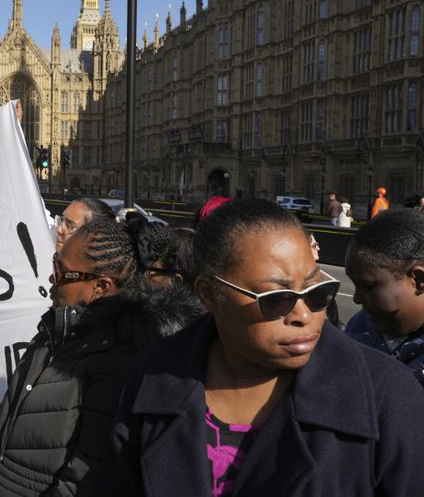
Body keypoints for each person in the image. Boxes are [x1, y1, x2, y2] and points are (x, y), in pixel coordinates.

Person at [104, 198, 424, 495]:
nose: (304, 315)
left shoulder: (388, 396)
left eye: (316, 292)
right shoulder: (155, 377)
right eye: (276, 299)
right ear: (209, 294)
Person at [0, 217, 202, 496]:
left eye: (61, 271)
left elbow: (83, 480)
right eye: (54, 264)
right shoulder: (51, 334)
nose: (52, 278)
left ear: (101, 286)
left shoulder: (120, 362)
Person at [345, 209, 424, 387]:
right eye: (355, 285)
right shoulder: (360, 326)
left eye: (368, 286)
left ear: (419, 280)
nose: (357, 299)